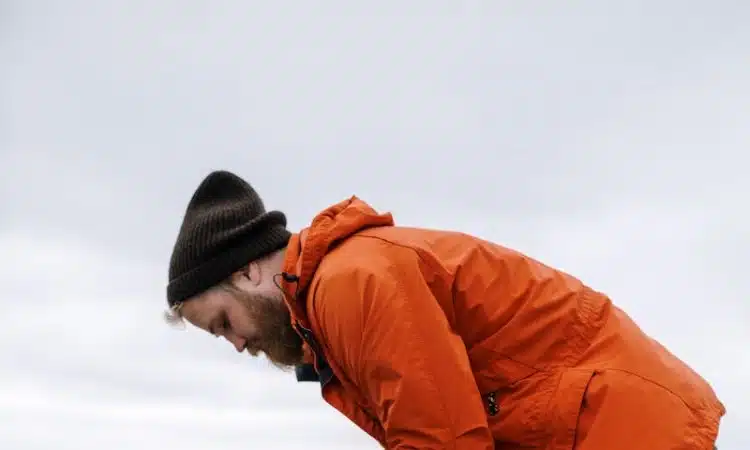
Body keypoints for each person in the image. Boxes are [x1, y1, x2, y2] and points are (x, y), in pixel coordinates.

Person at [164, 170, 725, 449]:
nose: (237, 345)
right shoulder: (330, 313)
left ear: (246, 272)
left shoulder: (350, 282)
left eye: (223, 324)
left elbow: (443, 440)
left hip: (621, 427)